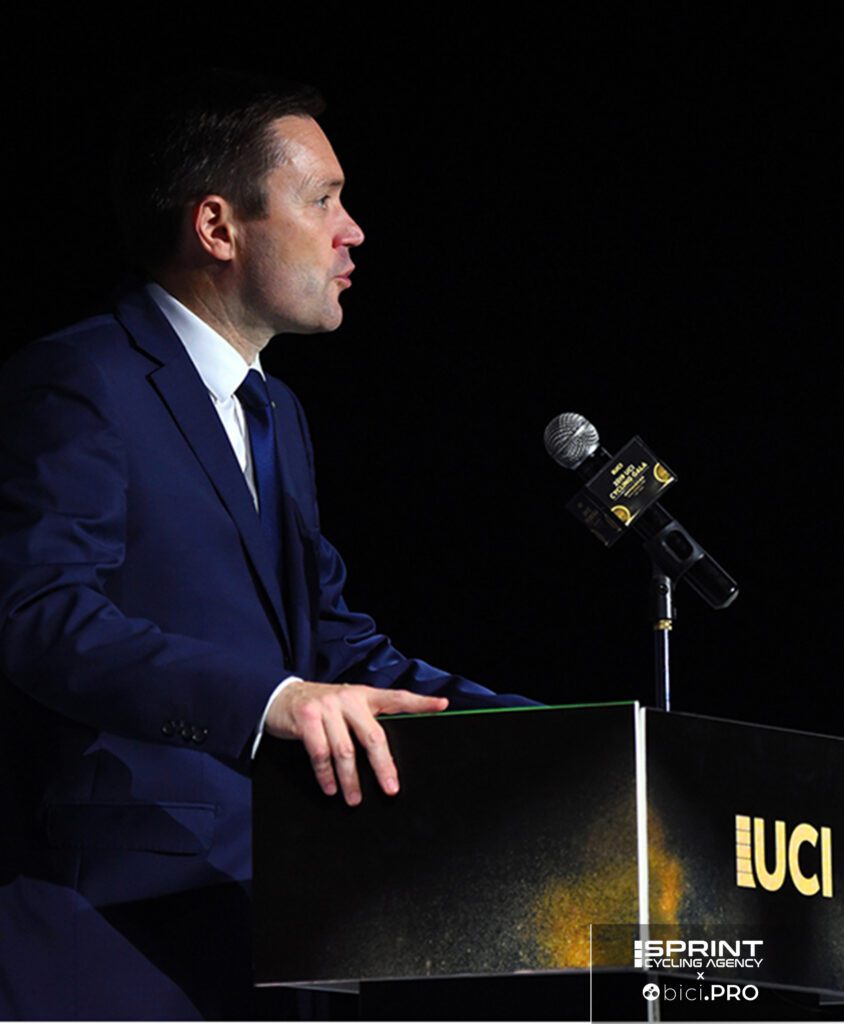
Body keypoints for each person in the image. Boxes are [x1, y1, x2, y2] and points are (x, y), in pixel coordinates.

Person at [0, 71, 534, 1020]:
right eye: (323, 199)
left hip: (276, 909)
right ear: (218, 227)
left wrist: (544, 731)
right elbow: (41, 616)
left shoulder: (276, 411)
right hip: (108, 920)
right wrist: (271, 701)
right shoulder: (79, 379)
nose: (351, 230)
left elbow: (330, 641)